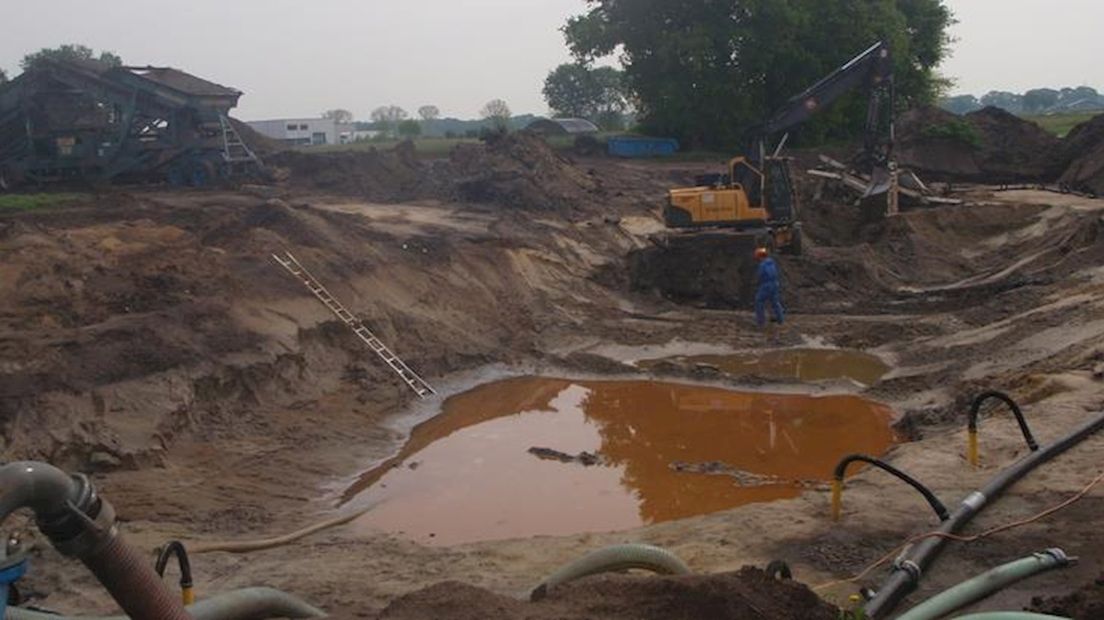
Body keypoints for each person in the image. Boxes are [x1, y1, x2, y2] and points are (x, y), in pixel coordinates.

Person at [754, 247, 784, 328]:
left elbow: (760, 276)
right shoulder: (771, 263)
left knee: (759, 301)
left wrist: (756, 283)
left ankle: (761, 322)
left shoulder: (762, 265)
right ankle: (780, 319)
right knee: (775, 302)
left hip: (766, 285)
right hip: (775, 284)